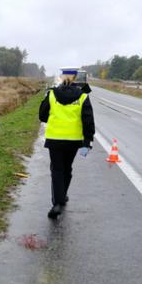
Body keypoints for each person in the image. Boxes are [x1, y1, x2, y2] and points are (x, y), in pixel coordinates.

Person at [39, 68, 95, 219]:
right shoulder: (83, 96)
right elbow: (88, 120)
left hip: (55, 139)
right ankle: (62, 197)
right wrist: (87, 141)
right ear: (76, 78)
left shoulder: (51, 94)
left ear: (61, 77)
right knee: (67, 168)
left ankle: (57, 202)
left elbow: (42, 116)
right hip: (74, 140)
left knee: (57, 169)